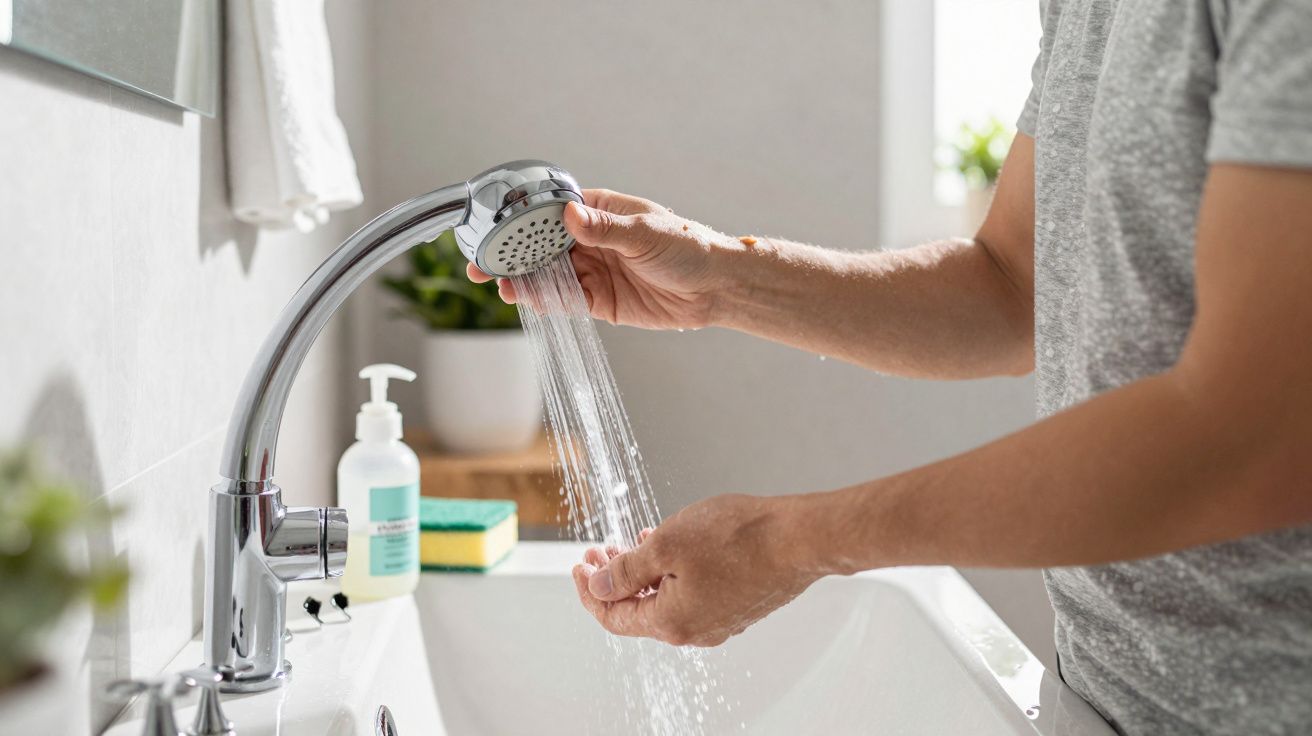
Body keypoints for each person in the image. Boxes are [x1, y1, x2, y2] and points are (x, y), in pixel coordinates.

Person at [469, 2, 1312, 733]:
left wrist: (789, 544)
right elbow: (1014, 285)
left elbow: (1253, 432)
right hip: (1106, 695)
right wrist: (719, 279)